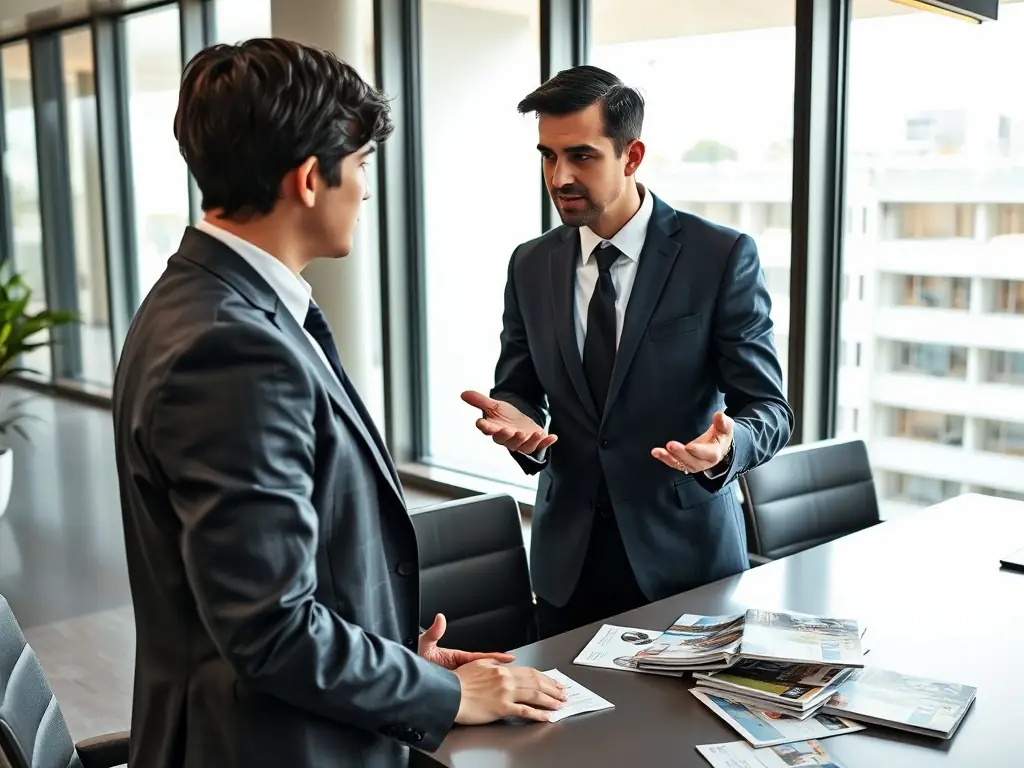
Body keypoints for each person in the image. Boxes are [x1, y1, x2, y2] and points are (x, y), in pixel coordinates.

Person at [112, 39, 564, 768]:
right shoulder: (231, 347)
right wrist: (446, 695)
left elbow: (269, 575)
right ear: (307, 180)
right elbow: (270, 628)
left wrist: (401, 663)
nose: (365, 190)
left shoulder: (208, 301)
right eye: (360, 165)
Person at [462, 65, 794, 639]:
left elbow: (770, 409)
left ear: (632, 156)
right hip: (567, 568)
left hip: (686, 565)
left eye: (581, 156)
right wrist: (518, 423)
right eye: (548, 156)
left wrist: (727, 446)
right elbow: (519, 387)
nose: (559, 176)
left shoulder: (719, 257)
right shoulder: (530, 263)